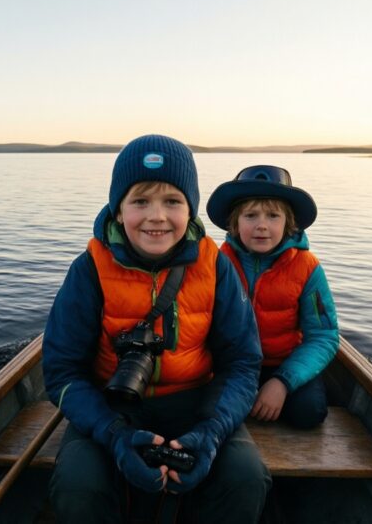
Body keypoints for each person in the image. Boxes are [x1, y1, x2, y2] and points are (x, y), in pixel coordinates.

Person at [43, 134, 270, 523]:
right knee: (78, 487)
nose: (157, 216)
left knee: (246, 478)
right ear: (118, 210)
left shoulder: (215, 266)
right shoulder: (88, 270)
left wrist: (213, 432)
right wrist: (112, 433)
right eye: (140, 201)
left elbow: (243, 363)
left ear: (190, 209)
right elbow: (62, 372)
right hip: (108, 405)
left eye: (172, 202)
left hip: (199, 404)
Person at [206, 165, 339, 429]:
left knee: (309, 413)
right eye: (251, 215)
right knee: (202, 408)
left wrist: (282, 382)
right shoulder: (215, 262)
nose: (262, 226)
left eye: (273, 216)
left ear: (288, 223)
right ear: (234, 223)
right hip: (230, 364)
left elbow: (324, 336)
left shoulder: (307, 267)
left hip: (284, 363)